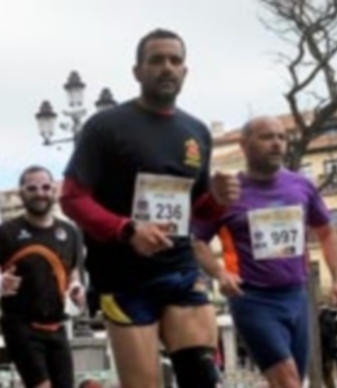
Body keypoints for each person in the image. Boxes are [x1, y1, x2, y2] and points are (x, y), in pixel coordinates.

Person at [60, 28, 239, 388]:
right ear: (137, 71)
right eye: (156, 60)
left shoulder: (196, 132)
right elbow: (71, 198)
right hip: (123, 278)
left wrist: (219, 199)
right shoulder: (105, 127)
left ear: (185, 72)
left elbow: (199, 209)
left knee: (202, 379)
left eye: (175, 60)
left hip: (180, 271)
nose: (167, 68)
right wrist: (127, 230)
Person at [191, 116, 337, 387]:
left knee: (291, 381)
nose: (277, 144)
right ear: (244, 145)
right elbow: (198, 241)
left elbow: (327, 233)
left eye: (281, 137)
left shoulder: (302, 186)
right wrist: (220, 274)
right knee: (288, 381)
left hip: (297, 296)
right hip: (252, 298)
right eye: (267, 137)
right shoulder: (227, 192)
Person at [0, 165, 86, 388]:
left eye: (46, 187)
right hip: (20, 325)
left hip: (56, 325)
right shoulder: (6, 232)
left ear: (54, 191)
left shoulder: (70, 232)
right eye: (32, 188)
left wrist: (76, 286)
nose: (40, 193)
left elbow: (72, 270)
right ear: (21, 193)